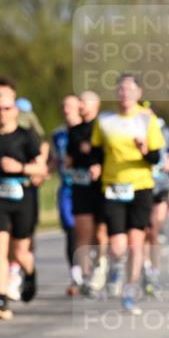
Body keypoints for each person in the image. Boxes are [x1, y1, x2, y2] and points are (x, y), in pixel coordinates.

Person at [90, 74, 165, 316]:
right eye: (120, 90)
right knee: (117, 246)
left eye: (130, 90)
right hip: (112, 186)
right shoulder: (105, 120)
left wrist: (144, 150)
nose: (124, 94)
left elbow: (156, 156)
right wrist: (95, 165)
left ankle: (130, 291)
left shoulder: (147, 120)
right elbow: (96, 150)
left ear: (139, 94)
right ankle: (117, 267)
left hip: (140, 185)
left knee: (136, 243)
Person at [0, 78, 48, 300]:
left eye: (7, 108)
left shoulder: (26, 136)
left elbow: (42, 168)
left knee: (19, 252)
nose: (2, 112)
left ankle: (30, 273)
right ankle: (2, 296)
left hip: (22, 195)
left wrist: (21, 167)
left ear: (15, 110)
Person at [67, 91, 107, 296]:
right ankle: (85, 276)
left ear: (96, 104)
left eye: (84, 101)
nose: (80, 105)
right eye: (79, 101)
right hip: (81, 186)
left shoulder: (104, 128)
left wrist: (100, 165)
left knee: (100, 234)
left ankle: (100, 268)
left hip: (100, 187)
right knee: (82, 233)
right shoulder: (74, 131)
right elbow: (71, 157)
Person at [144, 108, 169, 297]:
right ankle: (144, 268)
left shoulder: (164, 131)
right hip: (142, 186)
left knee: (154, 230)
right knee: (143, 232)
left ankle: (154, 272)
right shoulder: (135, 130)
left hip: (162, 186)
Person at [50, 95, 82, 295]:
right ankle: (76, 275)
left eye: (70, 106)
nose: (66, 110)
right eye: (63, 106)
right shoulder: (58, 134)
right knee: (71, 230)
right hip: (68, 188)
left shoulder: (90, 130)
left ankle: (96, 267)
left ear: (79, 107)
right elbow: (54, 159)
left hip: (88, 187)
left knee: (92, 231)